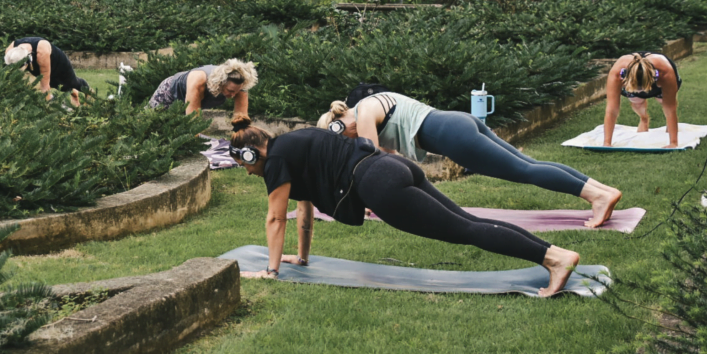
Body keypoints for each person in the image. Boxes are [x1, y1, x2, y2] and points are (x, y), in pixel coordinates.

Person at [227, 114, 580, 297]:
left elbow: (276, 219)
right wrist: (301, 259)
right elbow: (302, 212)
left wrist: (270, 273)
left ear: (251, 153)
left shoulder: (274, 161)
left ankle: (554, 259)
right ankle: (554, 254)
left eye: (245, 166)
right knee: (469, 221)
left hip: (378, 183)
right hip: (393, 167)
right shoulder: (295, 143)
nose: (248, 174)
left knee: (465, 231)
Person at [317, 92, 622, 228]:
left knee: (522, 170)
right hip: (456, 124)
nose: (348, 143)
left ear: (338, 125)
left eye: (341, 138)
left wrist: (361, 193)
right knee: (526, 164)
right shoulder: (372, 107)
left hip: (451, 136)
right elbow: (388, 160)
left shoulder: (364, 112)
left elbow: (369, 158)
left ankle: (595, 196)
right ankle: (603, 191)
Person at [603, 52, 682, 148]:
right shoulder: (617, 74)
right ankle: (644, 119)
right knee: (636, 100)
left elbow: (670, 108)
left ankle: (669, 125)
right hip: (634, 77)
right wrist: (607, 143)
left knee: (663, 100)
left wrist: (673, 143)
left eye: (642, 88)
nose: (641, 92)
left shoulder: (664, 72)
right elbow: (612, 110)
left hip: (659, 76)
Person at [148, 59, 257, 115]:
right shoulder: (199, 81)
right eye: (230, 91)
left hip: (193, 95)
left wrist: (241, 140)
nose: (233, 95)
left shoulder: (240, 83)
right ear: (221, 83)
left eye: (236, 92)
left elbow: (241, 116)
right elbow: (193, 117)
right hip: (169, 91)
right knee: (151, 120)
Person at [4, 37, 89, 107]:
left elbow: (44, 87)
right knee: (55, 84)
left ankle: (89, 91)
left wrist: (49, 108)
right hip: (34, 61)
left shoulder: (42, 52)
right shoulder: (10, 52)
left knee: (71, 82)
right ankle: (73, 93)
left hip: (57, 62)